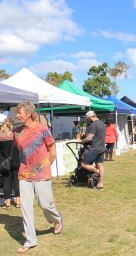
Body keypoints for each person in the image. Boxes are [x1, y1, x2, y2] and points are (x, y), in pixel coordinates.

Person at [12, 101, 63, 254]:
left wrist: (47, 164)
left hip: (42, 173)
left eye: (19, 113)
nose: (17, 115)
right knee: (25, 208)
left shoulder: (42, 129)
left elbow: (51, 148)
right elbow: (19, 150)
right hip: (24, 174)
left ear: (28, 114)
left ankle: (57, 220)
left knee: (45, 204)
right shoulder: (16, 130)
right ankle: (30, 240)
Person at [79, 111, 106, 189]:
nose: (88, 121)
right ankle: (101, 183)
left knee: (84, 164)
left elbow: (90, 137)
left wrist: (82, 141)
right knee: (100, 164)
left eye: (88, 119)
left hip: (95, 148)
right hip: (101, 147)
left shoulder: (93, 125)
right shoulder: (102, 124)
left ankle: (97, 172)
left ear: (90, 117)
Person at [0, 118, 20, 210]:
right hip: (15, 160)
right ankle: (18, 203)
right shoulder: (14, 133)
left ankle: (8, 204)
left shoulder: (0, 134)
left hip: (4, 162)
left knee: (6, 182)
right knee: (16, 181)